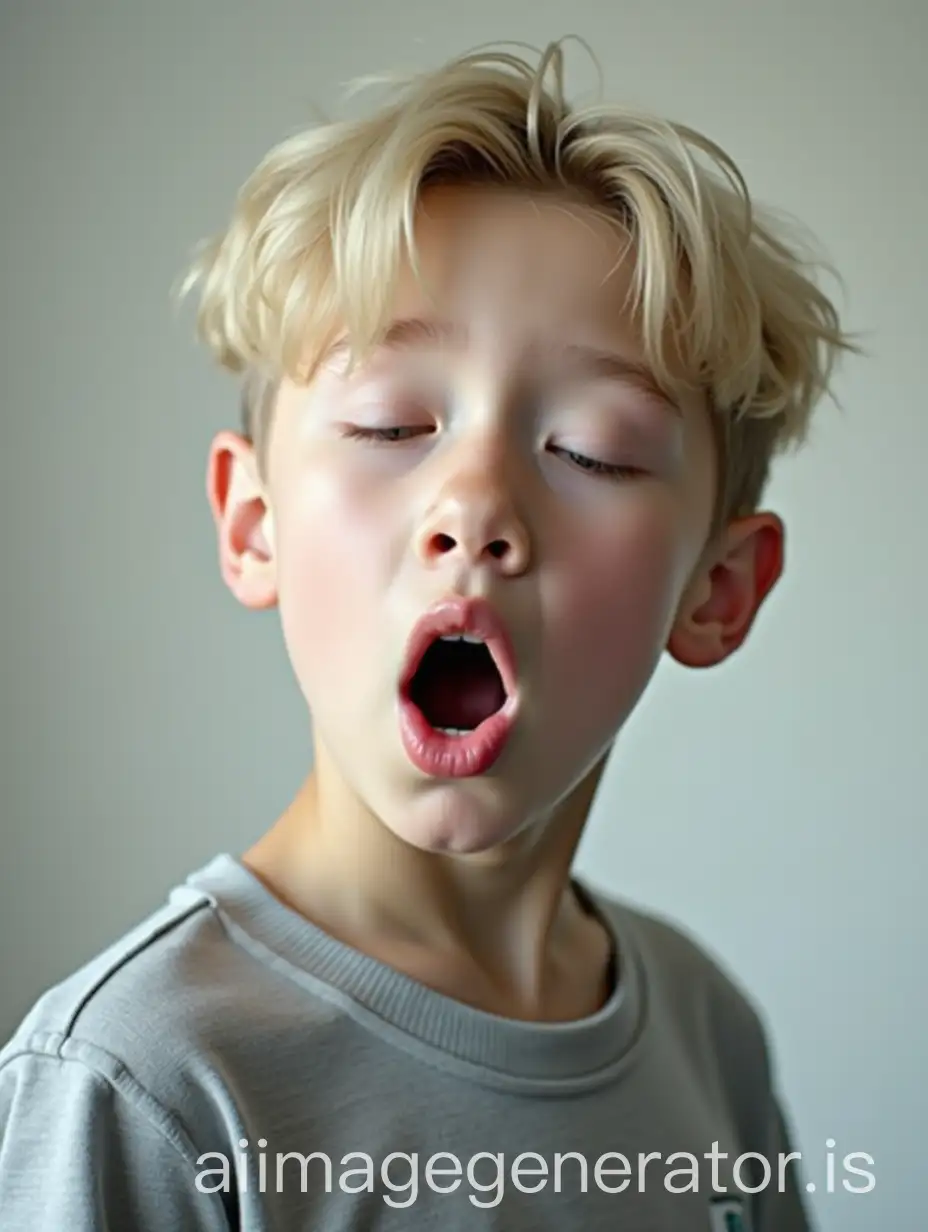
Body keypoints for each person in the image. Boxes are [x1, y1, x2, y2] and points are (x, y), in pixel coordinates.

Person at [0, 38, 855, 1230]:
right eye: (392, 423)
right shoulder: (145, 1084)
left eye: (594, 448)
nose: (476, 508)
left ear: (716, 589)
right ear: (255, 526)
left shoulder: (707, 1027)